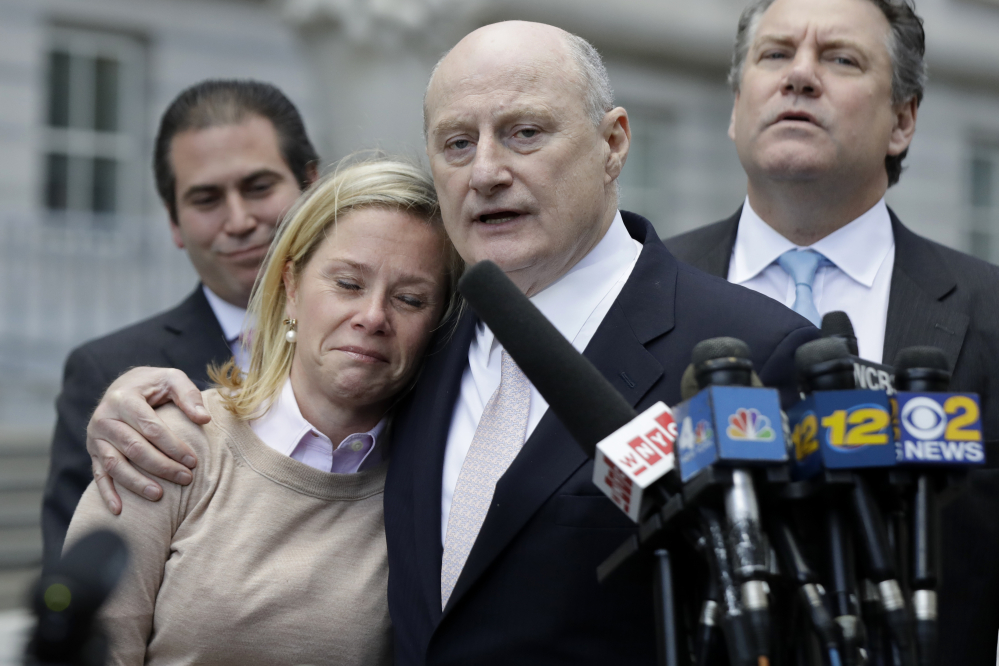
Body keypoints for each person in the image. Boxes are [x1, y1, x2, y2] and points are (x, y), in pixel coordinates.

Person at [80, 22, 818, 664]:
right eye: (457, 143)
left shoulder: (747, 353)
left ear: (612, 142)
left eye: (524, 133)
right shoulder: (419, 341)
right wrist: (128, 397)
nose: (487, 171)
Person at [663, 0, 999, 663]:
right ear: (735, 108)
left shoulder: (989, 312)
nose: (799, 77)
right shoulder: (641, 291)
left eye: (840, 59)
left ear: (902, 120)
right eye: (775, 55)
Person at [64, 158, 461, 665]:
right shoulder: (166, 444)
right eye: (348, 284)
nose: (372, 316)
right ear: (291, 288)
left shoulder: (436, 488)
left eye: (410, 298)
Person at [42, 79, 320, 566]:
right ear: (174, 222)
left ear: (312, 185)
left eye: (258, 187)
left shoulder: (389, 334)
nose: (238, 220)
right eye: (207, 199)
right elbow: (74, 577)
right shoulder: (104, 372)